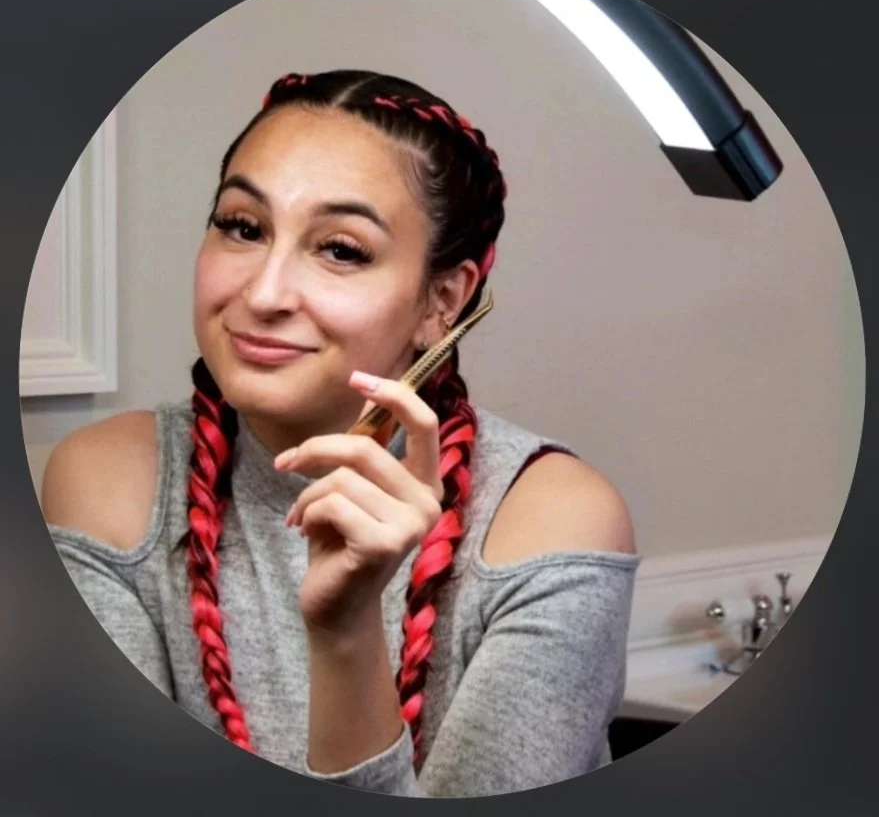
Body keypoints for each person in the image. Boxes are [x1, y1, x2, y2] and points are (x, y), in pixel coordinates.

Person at [41, 69, 640, 798]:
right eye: (243, 227)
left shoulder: (549, 520)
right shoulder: (109, 481)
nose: (262, 293)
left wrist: (346, 631)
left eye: (341, 250)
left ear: (441, 302)